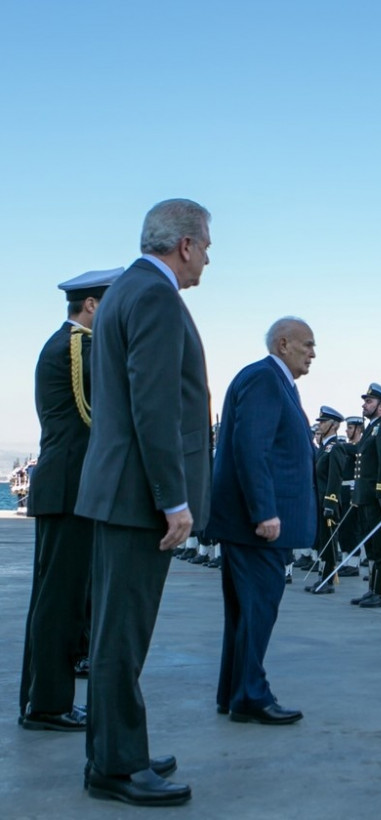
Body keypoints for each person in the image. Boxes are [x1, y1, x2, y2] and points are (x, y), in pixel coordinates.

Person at [75, 199, 213, 806]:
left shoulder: (125, 291)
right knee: (122, 638)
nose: (208, 258)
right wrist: (173, 500)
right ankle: (117, 767)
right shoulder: (156, 297)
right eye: (206, 246)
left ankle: (114, 750)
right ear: (184, 244)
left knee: (114, 633)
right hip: (139, 498)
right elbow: (154, 408)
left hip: (118, 492)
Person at [19, 267, 122, 731]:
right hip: (70, 487)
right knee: (59, 602)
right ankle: (47, 705)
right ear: (92, 306)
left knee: (57, 598)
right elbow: (92, 416)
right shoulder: (77, 346)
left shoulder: (70, 344)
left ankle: (42, 697)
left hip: (67, 485)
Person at [207, 317, 316, 727]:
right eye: (307, 345)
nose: (312, 353)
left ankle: (233, 692)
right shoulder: (265, 379)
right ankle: (251, 695)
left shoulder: (276, 382)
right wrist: (264, 512)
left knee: (245, 612)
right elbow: (251, 448)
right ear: (283, 343)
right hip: (258, 526)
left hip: (253, 524)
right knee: (258, 610)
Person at [350, 384, 381, 608]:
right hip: (365, 494)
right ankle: (372, 589)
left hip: (376, 495)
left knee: (380, 546)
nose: (364, 405)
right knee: (370, 545)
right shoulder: (371, 428)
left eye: (369, 401)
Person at [307, 405, 347, 594]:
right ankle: (322, 577)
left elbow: (335, 478)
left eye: (323, 422)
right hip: (319, 500)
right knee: (323, 540)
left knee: (330, 542)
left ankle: (328, 580)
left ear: (334, 425)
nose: (320, 425)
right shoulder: (324, 448)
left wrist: (330, 502)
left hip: (328, 502)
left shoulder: (335, 448)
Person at [337, 416, 363, 577]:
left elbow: (357, 450)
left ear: (359, 429)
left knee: (352, 528)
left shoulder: (358, 447)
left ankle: (354, 563)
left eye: (351, 427)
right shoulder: (347, 447)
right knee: (343, 528)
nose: (347, 430)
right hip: (343, 489)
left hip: (353, 489)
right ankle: (346, 561)